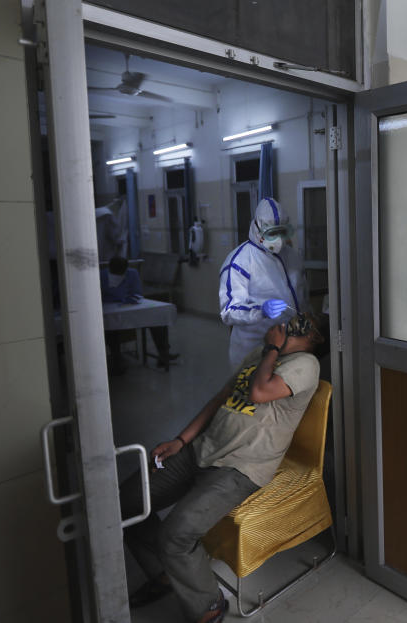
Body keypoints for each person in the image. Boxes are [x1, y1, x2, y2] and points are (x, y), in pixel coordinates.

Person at [120, 315, 323, 623]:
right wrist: (181, 439)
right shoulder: (261, 354)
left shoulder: (306, 364)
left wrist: (272, 346)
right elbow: (221, 398)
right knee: (126, 502)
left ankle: (208, 606)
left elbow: (259, 392)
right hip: (202, 449)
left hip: (241, 469)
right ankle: (164, 574)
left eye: (306, 322)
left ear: (315, 338)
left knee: (176, 534)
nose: (295, 320)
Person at [219, 197, 305, 369]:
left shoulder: (292, 257)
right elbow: (229, 311)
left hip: (290, 346)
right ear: (258, 230)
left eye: (282, 232)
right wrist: (260, 311)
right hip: (252, 351)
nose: (279, 240)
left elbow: (302, 295)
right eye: (272, 233)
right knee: (253, 394)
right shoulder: (239, 262)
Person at [100, 256, 178, 373]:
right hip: (110, 309)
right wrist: (119, 297)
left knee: (156, 317)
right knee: (111, 326)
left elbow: (137, 293)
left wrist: (128, 299)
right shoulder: (102, 275)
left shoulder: (132, 274)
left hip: (129, 307)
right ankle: (116, 361)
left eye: (121, 273)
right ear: (110, 269)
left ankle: (163, 354)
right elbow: (100, 296)